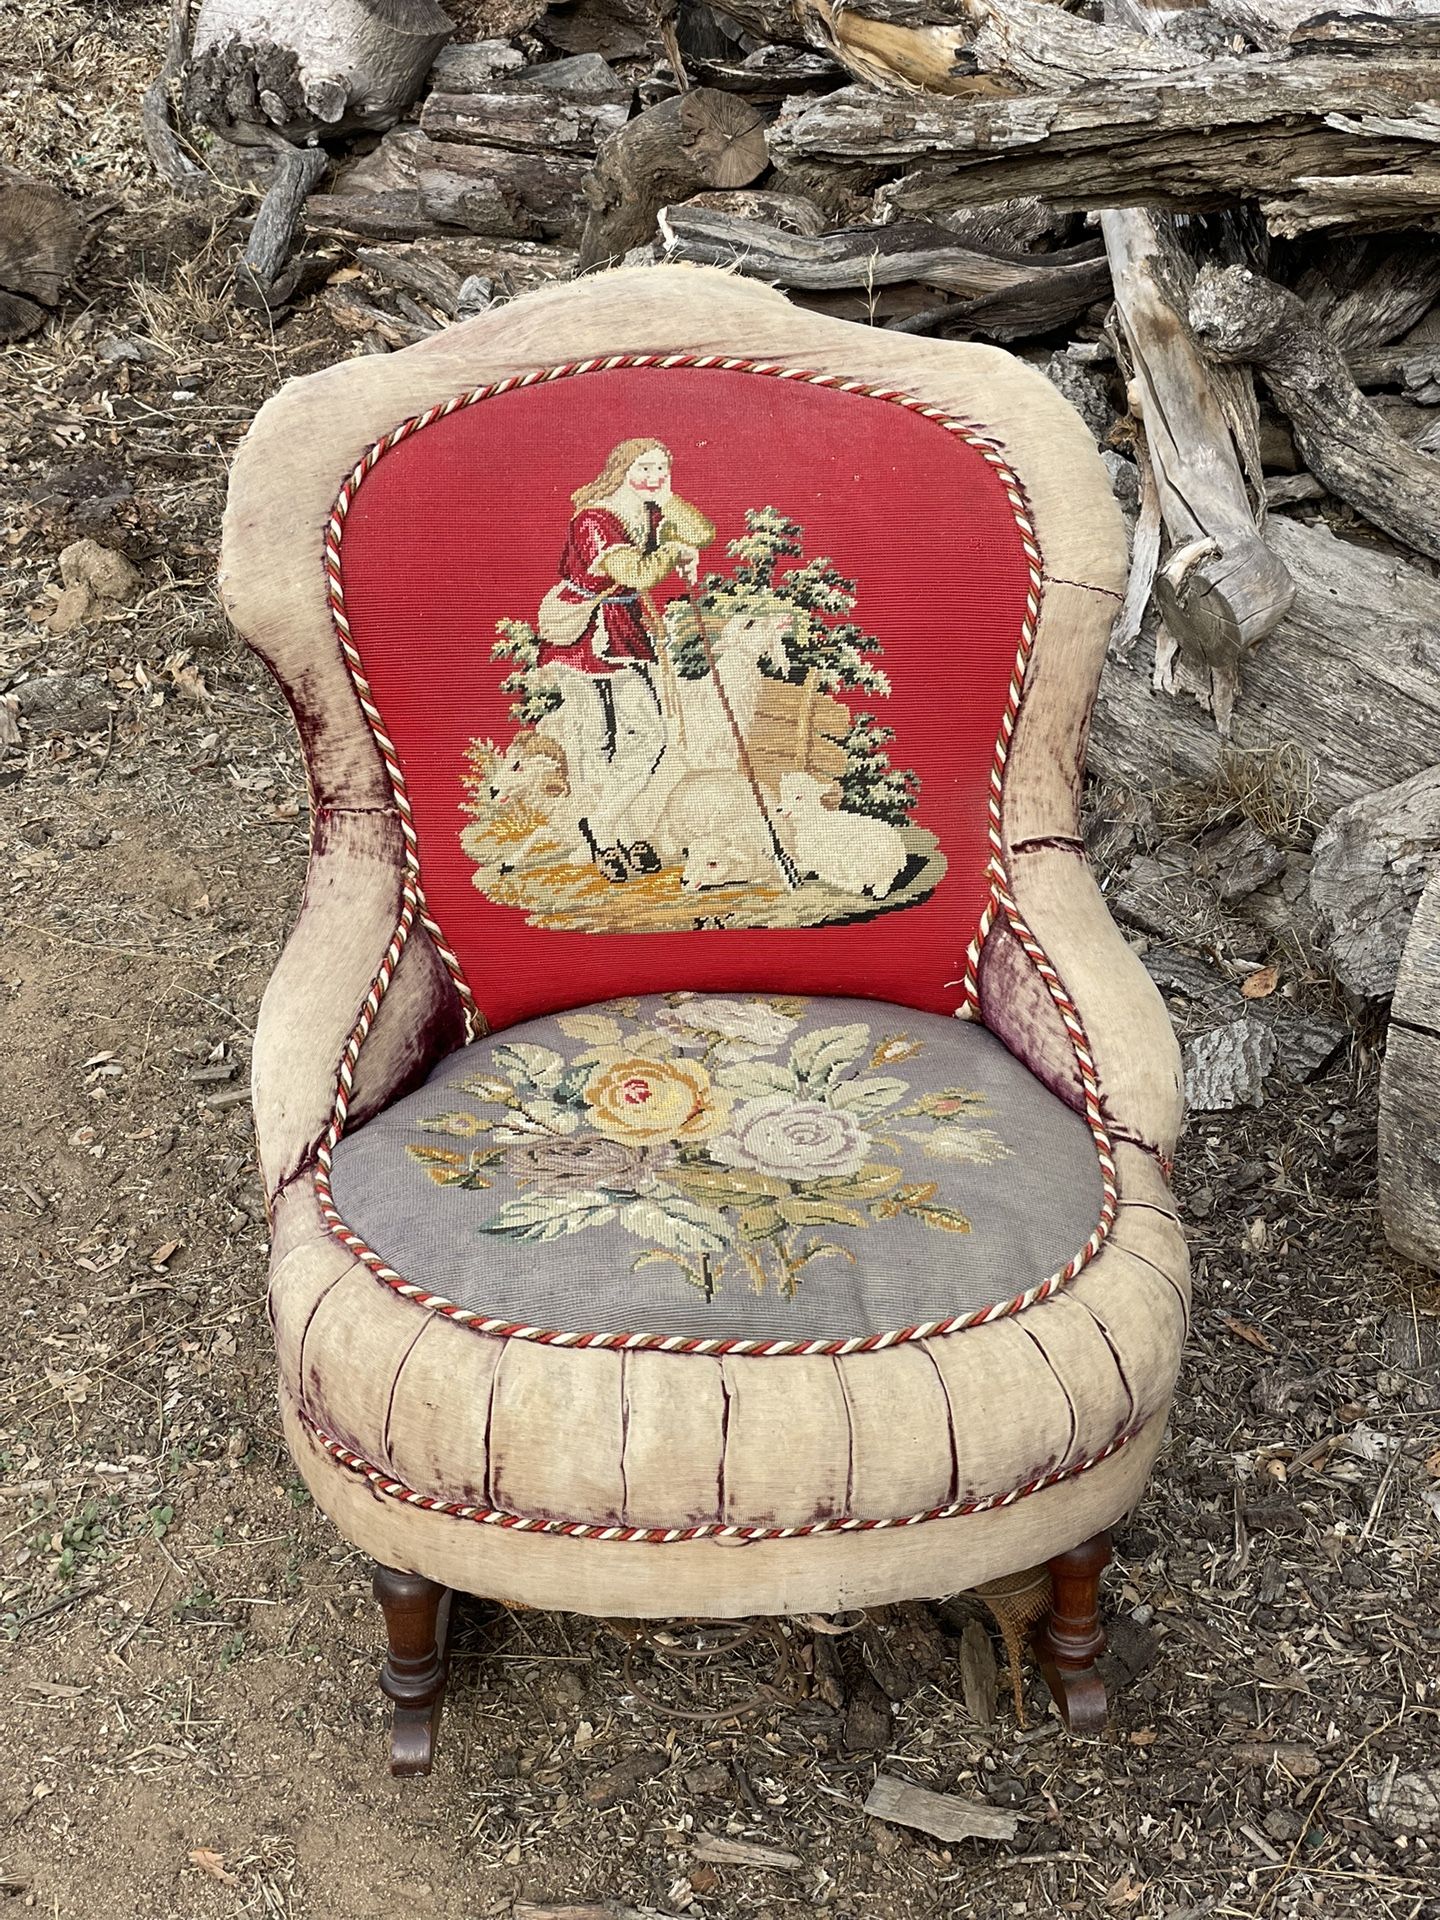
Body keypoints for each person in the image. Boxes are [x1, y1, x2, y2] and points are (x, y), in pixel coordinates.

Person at [534, 439, 715, 882]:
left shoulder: (649, 510)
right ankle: (602, 836)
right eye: (645, 468)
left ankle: (614, 824)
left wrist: (670, 504)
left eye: (661, 469)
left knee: (650, 738)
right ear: (621, 470)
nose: (654, 478)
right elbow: (638, 573)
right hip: (586, 636)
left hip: (627, 626)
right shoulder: (595, 520)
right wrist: (674, 553)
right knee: (599, 742)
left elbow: (703, 532)